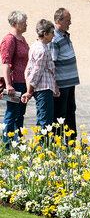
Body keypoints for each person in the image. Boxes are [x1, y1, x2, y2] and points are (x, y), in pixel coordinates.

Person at [21, 19, 59, 132]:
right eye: (52, 32)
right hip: (43, 89)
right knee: (45, 122)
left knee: (43, 119)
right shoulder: (42, 50)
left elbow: (28, 70)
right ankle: (42, 146)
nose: (53, 35)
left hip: (43, 88)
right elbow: (36, 72)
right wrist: (29, 90)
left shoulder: (34, 46)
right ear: (45, 33)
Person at [49, 8, 79, 142]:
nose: (70, 23)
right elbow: (52, 64)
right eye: (67, 20)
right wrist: (55, 85)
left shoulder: (65, 36)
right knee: (61, 114)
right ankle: (59, 142)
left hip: (69, 82)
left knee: (71, 111)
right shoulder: (55, 40)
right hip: (61, 84)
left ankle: (71, 139)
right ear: (58, 21)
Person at [1, 11, 30, 144]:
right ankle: (7, 143)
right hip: (14, 83)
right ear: (14, 24)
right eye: (22, 23)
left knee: (20, 114)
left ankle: (18, 142)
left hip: (23, 82)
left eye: (25, 22)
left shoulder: (21, 38)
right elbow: (6, 63)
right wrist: (8, 85)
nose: (25, 25)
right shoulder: (9, 40)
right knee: (12, 114)